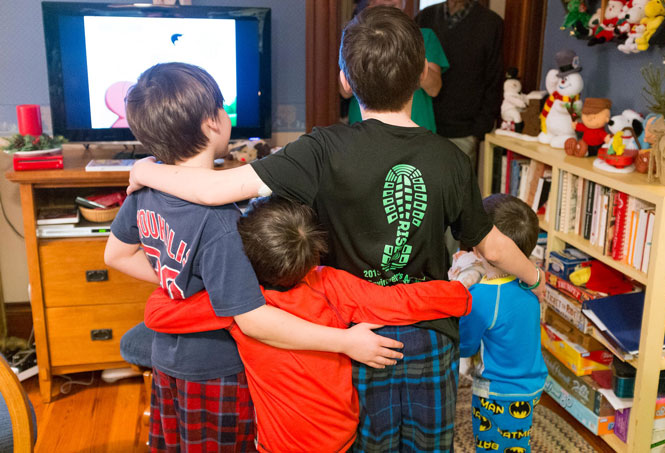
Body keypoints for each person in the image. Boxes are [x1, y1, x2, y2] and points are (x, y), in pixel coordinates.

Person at [128, 7, 544, 451]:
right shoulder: (451, 158)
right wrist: (535, 278)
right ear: (420, 74)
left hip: (352, 332)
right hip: (428, 332)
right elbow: (493, 248)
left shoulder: (320, 148)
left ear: (345, 80)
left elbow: (214, 189)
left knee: (360, 440)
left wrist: (145, 170)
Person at [104, 62, 405, 452]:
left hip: (167, 359)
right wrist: (345, 341)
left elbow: (116, 255)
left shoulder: (143, 193)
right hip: (217, 369)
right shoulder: (221, 223)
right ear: (212, 123)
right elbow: (255, 321)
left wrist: (177, 276)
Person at [143, 195, 484, 452]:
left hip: (281, 442)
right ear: (313, 254)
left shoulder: (235, 302)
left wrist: (206, 274)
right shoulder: (330, 285)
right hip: (339, 434)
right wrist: (461, 287)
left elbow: (156, 313)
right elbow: (401, 301)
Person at [451, 194, 548, 453]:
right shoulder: (529, 281)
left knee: (492, 446)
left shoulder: (483, 296)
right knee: (515, 442)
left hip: (499, 391)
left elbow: (464, 346)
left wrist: (458, 290)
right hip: (530, 382)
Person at [416, 0, 504, 166]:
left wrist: (479, 130)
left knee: (458, 182)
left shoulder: (491, 23)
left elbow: (494, 79)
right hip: (424, 127)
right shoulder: (425, 17)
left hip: (464, 133)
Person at [339, 0, 449, 133]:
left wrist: (408, 56)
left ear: (403, 2)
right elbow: (345, 91)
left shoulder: (425, 36)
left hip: (416, 129)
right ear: (368, 3)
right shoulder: (355, 38)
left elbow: (434, 89)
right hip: (365, 130)